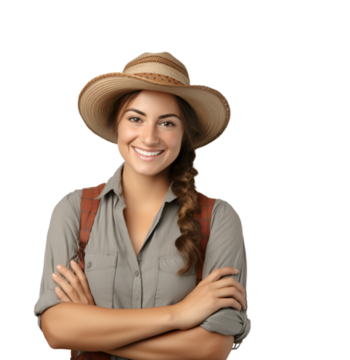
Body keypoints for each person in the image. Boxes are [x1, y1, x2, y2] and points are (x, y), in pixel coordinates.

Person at [33, 50, 250, 360]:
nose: (149, 138)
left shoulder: (219, 218)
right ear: (117, 126)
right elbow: (55, 330)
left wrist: (91, 329)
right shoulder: (73, 208)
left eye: (167, 123)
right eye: (136, 118)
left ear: (184, 134)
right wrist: (179, 314)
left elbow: (213, 347)